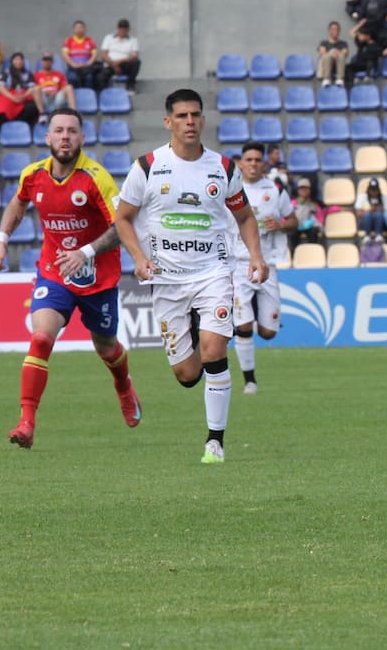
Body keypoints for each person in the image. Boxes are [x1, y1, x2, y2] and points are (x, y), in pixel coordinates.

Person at [114, 89, 270, 465]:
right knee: (186, 374)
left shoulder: (224, 168)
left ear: (203, 120)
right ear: (168, 121)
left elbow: (245, 217)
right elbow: (122, 218)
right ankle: (199, 335)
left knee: (215, 350)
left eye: (195, 115)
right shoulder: (148, 167)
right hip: (167, 281)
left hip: (213, 272)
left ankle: (215, 441)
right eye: (181, 116)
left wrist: (255, 256)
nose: (189, 122)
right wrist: (138, 257)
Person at [0, 107, 141, 450]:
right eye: (58, 131)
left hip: (97, 278)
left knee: (106, 346)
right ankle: (27, 422)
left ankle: (123, 386)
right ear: (48, 137)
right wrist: (1, 241)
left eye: (72, 131)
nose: (65, 137)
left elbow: (122, 225)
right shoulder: (33, 175)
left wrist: (84, 253)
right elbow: (17, 204)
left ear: (82, 138)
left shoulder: (96, 178)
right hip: (54, 273)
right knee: (41, 336)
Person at [227, 143, 297, 395]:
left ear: (264, 163)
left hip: (267, 263)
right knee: (243, 327)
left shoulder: (276, 190)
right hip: (238, 264)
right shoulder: (230, 189)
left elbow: (293, 220)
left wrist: (280, 224)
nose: (253, 164)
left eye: (258, 160)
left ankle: (259, 312)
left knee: (267, 332)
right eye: (249, 159)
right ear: (241, 163)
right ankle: (250, 381)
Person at [0, 53, 41, 129]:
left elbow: (32, 88)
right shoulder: (5, 72)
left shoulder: (28, 74)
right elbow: (0, 88)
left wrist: (23, 96)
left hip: (23, 97)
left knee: (32, 107)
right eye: (16, 59)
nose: (18, 61)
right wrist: (13, 97)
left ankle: (26, 129)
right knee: (2, 108)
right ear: (12, 61)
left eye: (20, 59)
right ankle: (6, 129)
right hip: (9, 96)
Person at [99, 18, 140, 89]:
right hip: (110, 63)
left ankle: (130, 86)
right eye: (121, 29)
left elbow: (134, 55)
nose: (122, 31)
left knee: (136, 62)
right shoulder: (109, 38)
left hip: (124, 64)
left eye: (124, 29)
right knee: (101, 76)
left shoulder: (133, 40)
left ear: (128, 30)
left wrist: (120, 61)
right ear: (117, 29)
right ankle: (104, 93)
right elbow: (104, 54)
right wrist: (114, 65)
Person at [62, 19, 101, 92]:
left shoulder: (90, 40)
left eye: (81, 27)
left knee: (89, 78)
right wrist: (73, 64)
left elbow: (94, 54)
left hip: (86, 67)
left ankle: (88, 97)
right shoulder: (69, 40)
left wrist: (88, 63)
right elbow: (65, 55)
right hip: (73, 67)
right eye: (77, 28)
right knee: (72, 77)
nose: (79, 29)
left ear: (85, 29)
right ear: (74, 29)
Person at [289, 176, 324, 248]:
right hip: (297, 225)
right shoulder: (292, 203)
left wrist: (315, 224)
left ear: (309, 190)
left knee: (314, 231)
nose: (304, 191)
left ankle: (312, 252)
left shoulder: (314, 204)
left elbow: (320, 217)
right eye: (301, 189)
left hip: (310, 227)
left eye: (306, 188)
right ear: (298, 190)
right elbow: (286, 217)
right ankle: (293, 254)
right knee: (292, 233)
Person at [317, 20, 350, 87]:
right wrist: (332, 52)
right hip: (326, 67)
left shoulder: (343, 43)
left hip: (339, 66)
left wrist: (337, 52)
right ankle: (326, 79)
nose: (335, 31)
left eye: (337, 29)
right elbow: (323, 52)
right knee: (328, 55)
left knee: (341, 55)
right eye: (333, 29)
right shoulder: (324, 42)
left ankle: (340, 79)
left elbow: (345, 52)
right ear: (329, 31)